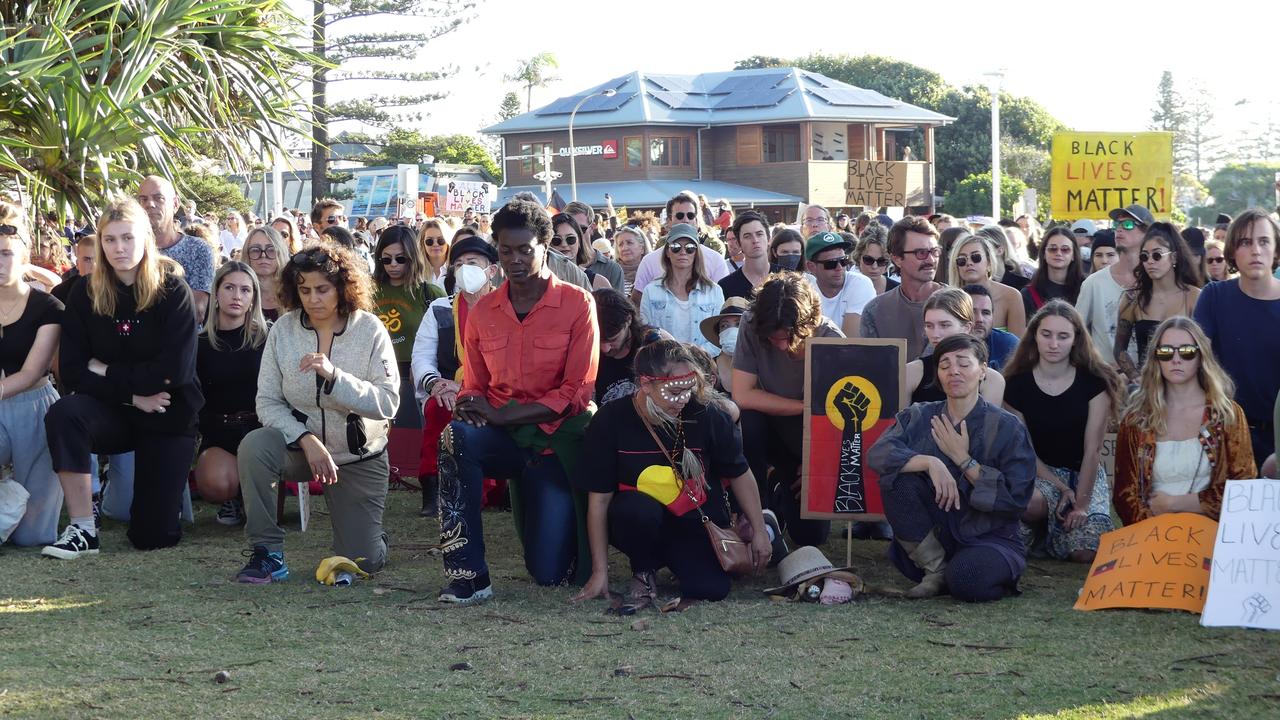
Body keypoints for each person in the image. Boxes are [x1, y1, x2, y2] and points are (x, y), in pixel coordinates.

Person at [436, 199, 599, 604]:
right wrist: (471, 405)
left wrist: (499, 413)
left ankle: (545, 507)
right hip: (504, 438)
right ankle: (468, 575)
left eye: (525, 249)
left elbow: (577, 392)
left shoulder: (578, 303)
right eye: (506, 251)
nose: (516, 259)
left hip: (557, 442)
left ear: (545, 246)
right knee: (454, 437)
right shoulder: (485, 310)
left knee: (550, 574)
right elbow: (474, 384)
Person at [43, 198, 202, 558]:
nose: (119, 248)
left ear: (145, 238)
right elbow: (71, 371)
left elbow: (175, 372)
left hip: (167, 412)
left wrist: (108, 369)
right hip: (117, 410)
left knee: (152, 536)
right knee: (64, 413)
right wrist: (133, 396)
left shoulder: (173, 290)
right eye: (110, 240)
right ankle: (83, 527)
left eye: (127, 238)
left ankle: (160, 506)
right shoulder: (85, 291)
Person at [235, 243, 399, 583]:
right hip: (301, 451)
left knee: (362, 561)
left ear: (342, 287)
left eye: (322, 289)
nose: (313, 299)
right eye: (304, 290)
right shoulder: (282, 330)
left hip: (357, 457)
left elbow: (388, 402)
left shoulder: (370, 330)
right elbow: (266, 401)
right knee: (255, 444)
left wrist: (336, 377)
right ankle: (268, 553)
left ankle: (374, 541)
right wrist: (305, 438)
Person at [571, 340, 771, 608]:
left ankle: (683, 560)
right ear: (645, 384)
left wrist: (758, 529)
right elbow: (599, 500)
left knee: (711, 589)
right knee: (636, 508)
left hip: (692, 521)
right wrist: (600, 572)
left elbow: (740, 473)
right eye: (674, 391)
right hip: (636, 520)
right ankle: (643, 569)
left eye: (689, 390)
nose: (684, 399)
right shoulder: (611, 420)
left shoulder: (706, 414)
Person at [867, 334, 1037, 602]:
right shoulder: (919, 415)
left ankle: (968, 573)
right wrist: (930, 462)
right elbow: (877, 455)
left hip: (989, 538)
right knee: (898, 480)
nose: (953, 371)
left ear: (982, 370)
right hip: (934, 537)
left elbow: (1015, 499)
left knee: (967, 581)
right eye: (944, 365)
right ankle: (935, 570)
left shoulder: (1007, 427)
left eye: (963, 363)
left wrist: (963, 459)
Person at [1002, 301, 1124, 563]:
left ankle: (1049, 536)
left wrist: (1080, 504)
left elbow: (1093, 451)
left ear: (1075, 339)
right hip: (1038, 473)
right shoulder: (1014, 385)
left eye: (1063, 336)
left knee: (1085, 553)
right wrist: (1059, 487)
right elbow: (1025, 452)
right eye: (1046, 334)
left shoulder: (1095, 382)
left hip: (1083, 474)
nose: (1053, 343)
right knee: (1029, 505)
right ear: (1034, 335)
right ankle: (1039, 527)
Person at [1113, 317, 1256, 525]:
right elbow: (1124, 495)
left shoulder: (1227, 415)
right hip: (1151, 537)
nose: (1176, 359)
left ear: (1200, 357)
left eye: (1187, 352)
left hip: (1213, 534)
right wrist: (1155, 528)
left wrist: (1174, 503)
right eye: (1166, 352)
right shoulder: (1136, 419)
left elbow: (1243, 487)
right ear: (1156, 358)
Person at [733, 273, 841, 546]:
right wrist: (806, 406)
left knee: (810, 537)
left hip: (810, 440)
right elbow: (743, 395)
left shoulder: (832, 340)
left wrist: (817, 462)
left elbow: (839, 419)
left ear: (809, 322)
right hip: (766, 430)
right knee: (746, 421)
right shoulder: (751, 322)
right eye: (772, 338)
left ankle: (778, 488)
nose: (780, 346)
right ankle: (755, 510)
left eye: (788, 338)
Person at [411, 236, 501, 518]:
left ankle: (492, 488)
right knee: (441, 407)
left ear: (492, 270)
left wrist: (465, 387)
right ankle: (435, 487)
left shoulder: (507, 307)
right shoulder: (440, 308)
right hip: (446, 391)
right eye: (459, 264)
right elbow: (422, 355)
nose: (464, 269)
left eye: (472, 263)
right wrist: (436, 384)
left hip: (495, 390)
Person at [1193, 208, 1280, 469]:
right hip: (1225, 433)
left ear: (1276, 250)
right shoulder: (1214, 297)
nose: (1255, 250)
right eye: (1245, 242)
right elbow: (1198, 362)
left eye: (1264, 241)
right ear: (1232, 251)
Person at [0, 204, 63, 548]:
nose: (0, 262)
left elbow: (30, 372)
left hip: (34, 407)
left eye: (7, 254)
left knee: (32, 537)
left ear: (25, 259)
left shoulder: (47, 307)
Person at [194, 261, 270, 526]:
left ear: (253, 298)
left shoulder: (268, 337)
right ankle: (235, 497)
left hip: (261, 428)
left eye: (245, 290)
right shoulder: (200, 344)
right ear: (216, 293)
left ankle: (255, 495)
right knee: (217, 484)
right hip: (219, 431)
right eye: (229, 288)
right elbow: (196, 396)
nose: (237, 296)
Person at [1113, 223, 1202, 383]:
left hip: (1186, 385)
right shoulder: (1132, 298)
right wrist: (1134, 376)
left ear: (1173, 257)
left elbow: (1205, 349)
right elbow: (1119, 348)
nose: (1150, 261)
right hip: (1148, 388)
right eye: (1144, 256)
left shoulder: (1194, 296)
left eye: (1157, 255)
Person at [859, 216, 944, 361]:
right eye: (921, 253)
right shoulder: (874, 311)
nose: (931, 260)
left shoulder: (956, 304)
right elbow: (869, 367)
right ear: (897, 259)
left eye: (934, 251)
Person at [1077, 204, 1152, 365]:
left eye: (1128, 224)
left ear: (1147, 233)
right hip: (1106, 380)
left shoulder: (1157, 281)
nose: (1119, 229)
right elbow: (1076, 333)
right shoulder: (1093, 283)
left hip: (1152, 380)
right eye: (1117, 224)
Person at [906, 288, 1005, 406]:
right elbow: (898, 422)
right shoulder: (911, 372)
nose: (935, 334)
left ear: (967, 327)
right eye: (929, 326)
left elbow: (987, 423)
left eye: (944, 325)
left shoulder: (992, 380)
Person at [639, 223, 724, 357]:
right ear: (667, 252)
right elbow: (646, 332)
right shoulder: (651, 291)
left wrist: (693, 355)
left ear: (696, 253)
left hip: (702, 365)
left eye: (690, 248)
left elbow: (719, 337)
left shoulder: (714, 291)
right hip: (663, 365)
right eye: (676, 247)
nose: (683, 252)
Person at [135, 175, 214, 319]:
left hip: (181, 339)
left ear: (176, 204)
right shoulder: (130, 251)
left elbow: (197, 311)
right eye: (143, 199)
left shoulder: (198, 250)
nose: (150, 204)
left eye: (159, 198)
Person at [631, 192, 730, 301]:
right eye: (680, 215)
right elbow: (637, 302)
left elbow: (724, 301)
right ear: (669, 221)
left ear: (696, 221)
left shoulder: (715, 259)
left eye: (690, 215)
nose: (686, 220)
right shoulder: (649, 261)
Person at [592, 288, 667, 406]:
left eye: (613, 339)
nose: (605, 349)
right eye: (598, 341)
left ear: (629, 319)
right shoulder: (584, 350)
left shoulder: (655, 342)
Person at [948, 232, 1027, 336]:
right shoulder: (949, 299)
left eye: (976, 257)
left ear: (989, 262)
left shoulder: (1011, 296)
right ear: (956, 266)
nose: (969, 263)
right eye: (962, 260)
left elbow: (1017, 346)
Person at [804, 231, 874, 337]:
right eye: (831, 263)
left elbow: (848, 342)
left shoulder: (860, 283)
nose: (839, 268)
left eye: (843, 261)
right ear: (811, 267)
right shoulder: (804, 287)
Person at [1021, 227, 1084, 318]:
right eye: (1053, 249)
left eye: (1065, 249)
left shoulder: (1086, 288)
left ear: (1073, 255)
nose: (1058, 253)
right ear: (1044, 254)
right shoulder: (1028, 294)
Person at [565, 201, 625, 291]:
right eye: (571, 229)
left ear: (592, 228)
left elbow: (617, 305)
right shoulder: (555, 264)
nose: (575, 234)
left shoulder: (611, 269)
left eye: (581, 229)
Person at [718, 211, 775, 301]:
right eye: (747, 236)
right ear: (738, 243)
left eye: (759, 234)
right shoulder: (725, 286)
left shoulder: (789, 278)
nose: (755, 240)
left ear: (769, 238)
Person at [700, 297, 748, 397]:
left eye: (738, 324)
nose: (731, 331)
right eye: (724, 326)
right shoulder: (707, 370)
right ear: (719, 334)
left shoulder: (765, 369)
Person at [552, 213, 611, 291]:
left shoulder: (599, 283)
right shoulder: (537, 279)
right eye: (556, 240)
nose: (564, 244)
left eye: (570, 239)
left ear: (579, 241)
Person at [965, 285, 1018, 371]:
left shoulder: (1009, 345)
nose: (980, 319)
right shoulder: (946, 344)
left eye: (986, 313)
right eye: (972, 312)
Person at [243, 226, 289, 321]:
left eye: (271, 249)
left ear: (280, 253)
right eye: (255, 250)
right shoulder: (239, 294)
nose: (263, 255)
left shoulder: (294, 293)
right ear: (247, 254)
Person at [853, 224, 898, 295]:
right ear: (859, 258)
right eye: (868, 260)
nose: (874, 266)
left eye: (881, 261)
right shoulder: (847, 289)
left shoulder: (898, 292)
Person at [612, 225, 651, 298]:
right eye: (620, 244)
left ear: (642, 248)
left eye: (629, 243)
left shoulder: (652, 272)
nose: (624, 248)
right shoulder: (612, 273)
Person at [417, 220, 452, 287]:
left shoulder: (457, 270)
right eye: (429, 241)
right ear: (423, 243)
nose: (435, 244)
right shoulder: (416, 271)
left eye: (441, 240)